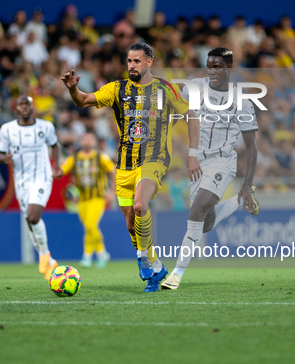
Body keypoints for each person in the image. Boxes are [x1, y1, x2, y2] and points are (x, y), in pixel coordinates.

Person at [61, 42, 202, 292]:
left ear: (149, 62)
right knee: (130, 224)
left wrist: (193, 154)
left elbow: (191, 115)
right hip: (125, 165)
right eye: (129, 61)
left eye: (137, 61)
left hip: (154, 159)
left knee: (140, 206)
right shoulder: (117, 89)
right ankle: (157, 267)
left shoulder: (163, 88)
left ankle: (144, 259)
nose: (132, 65)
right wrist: (73, 89)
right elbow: (83, 101)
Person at [161, 48, 259, 290]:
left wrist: (246, 183)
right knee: (204, 222)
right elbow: (175, 114)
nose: (212, 71)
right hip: (196, 160)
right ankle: (237, 202)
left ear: (229, 69)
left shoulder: (242, 102)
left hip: (222, 162)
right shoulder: (193, 88)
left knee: (196, 212)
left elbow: (252, 147)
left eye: (218, 66)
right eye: (209, 66)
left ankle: (176, 274)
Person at [0, 95, 62, 278]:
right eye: (20, 104)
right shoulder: (7, 129)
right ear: (15, 108)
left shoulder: (45, 127)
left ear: (33, 107)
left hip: (42, 176)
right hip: (21, 181)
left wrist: (56, 165)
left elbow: (55, 146)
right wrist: (5, 158)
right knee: (29, 222)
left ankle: (44, 253)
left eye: (27, 104)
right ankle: (50, 263)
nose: (24, 107)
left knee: (33, 216)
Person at [57, 133, 115, 268]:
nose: (87, 141)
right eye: (85, 138)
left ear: (94, 142)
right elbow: (62, 170)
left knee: (90, 224)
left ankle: (88, 255)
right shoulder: (75, 158)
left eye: (90, 138)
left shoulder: (101, 156)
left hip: (97, 198)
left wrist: (112, 192)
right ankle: (101, 253)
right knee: (88, 227)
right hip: (82, 199)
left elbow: (113, 171)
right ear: (81, 141)